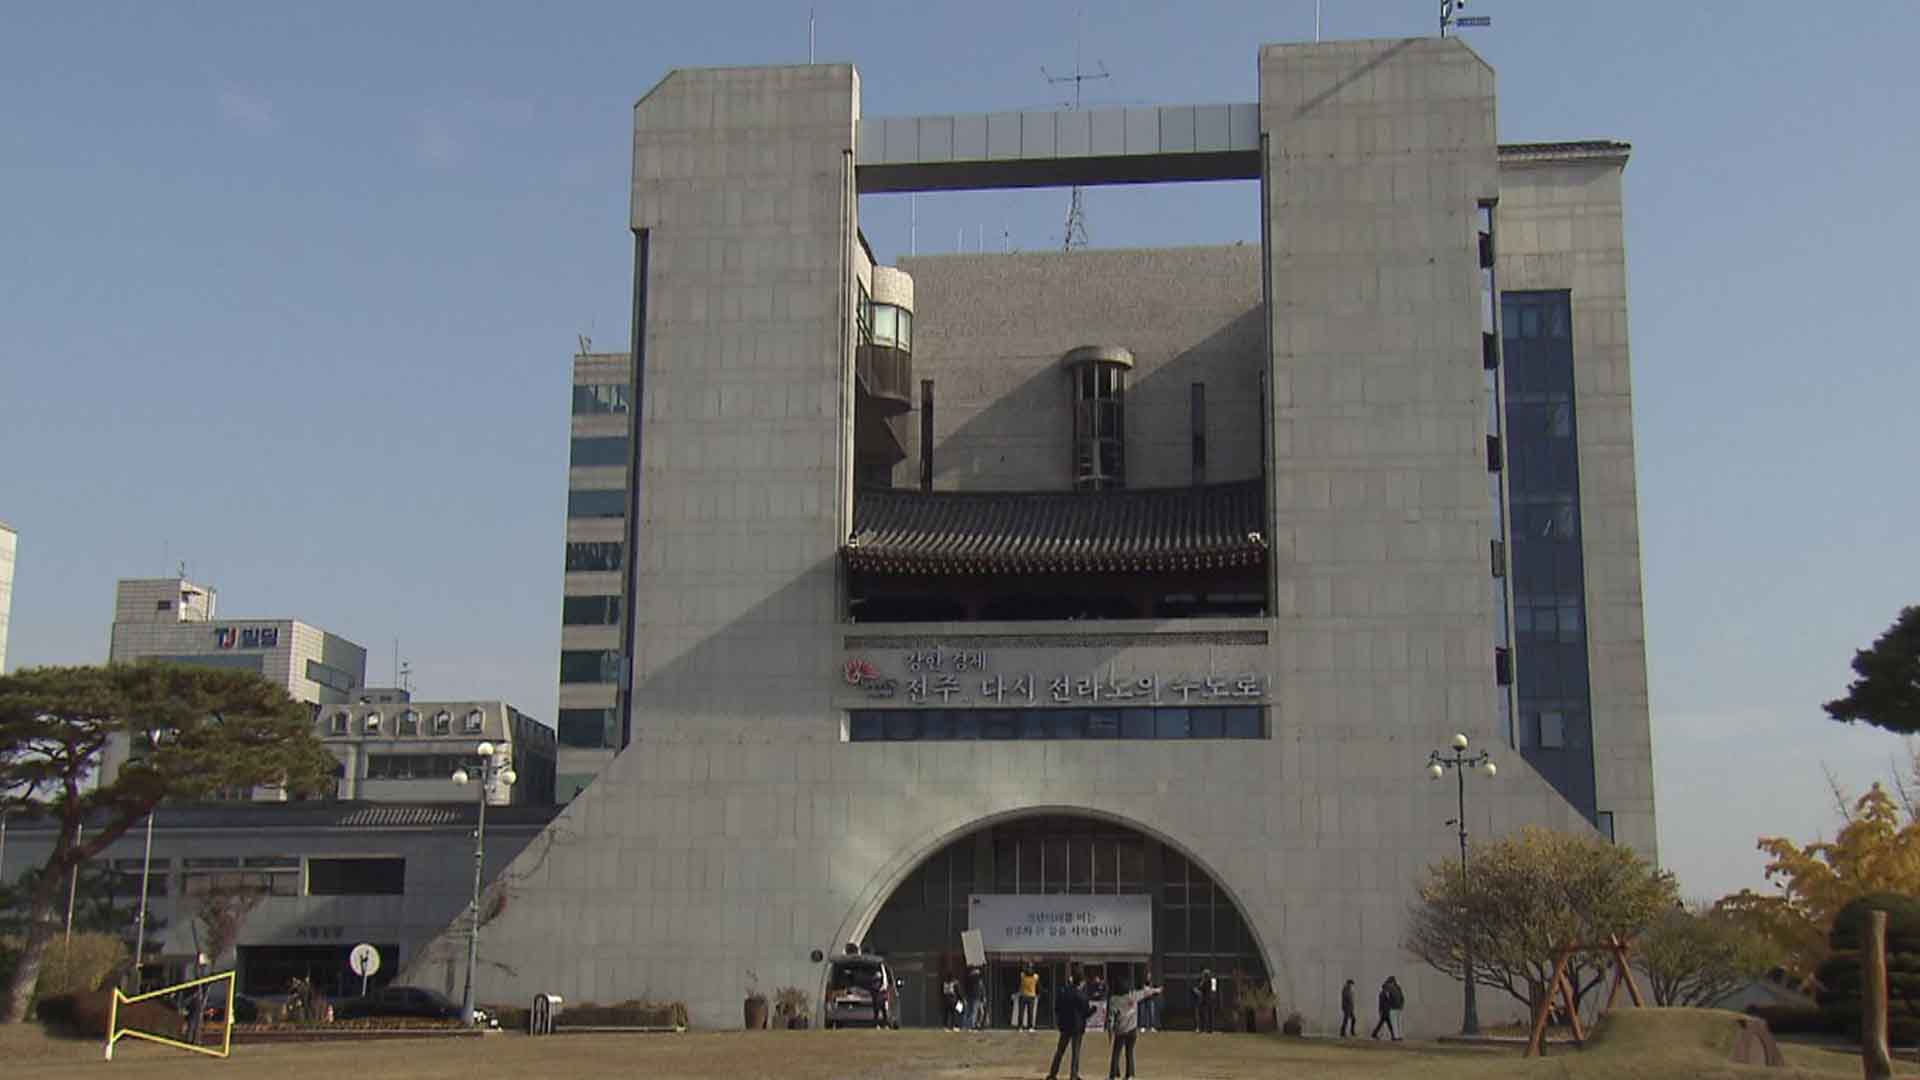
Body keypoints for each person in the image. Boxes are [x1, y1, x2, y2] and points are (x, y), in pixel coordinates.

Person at [1103, 977, 1163, 1080]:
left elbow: (1110, 1019)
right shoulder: (1133, 996)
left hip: (1120, 1030)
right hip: (1132, 1030)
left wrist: (1110, 1032)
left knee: (1116, 1053)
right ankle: (1130, 1075)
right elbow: (1146, 992)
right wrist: (1157, 990)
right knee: (1129, 1053)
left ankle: (1112, 1076)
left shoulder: (1114, 1000)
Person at [1046, 970, 1096, 1080]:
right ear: (1081, 982)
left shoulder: (1064, 991)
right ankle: (1073, 1075)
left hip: (1065, 1025)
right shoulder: (1082, 995)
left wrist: (1060, 1020)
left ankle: (1053, 1073)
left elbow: (1057, 1008)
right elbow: (1085, 1013)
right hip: (1077, 1027)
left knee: (1060, 1051)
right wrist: (1093, 1010)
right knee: (1075, 1053)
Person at [1370, 976, 1403, 1041]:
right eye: (1386, 987)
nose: (1387, 988)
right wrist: (1380, 1011)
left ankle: (1375, 1034)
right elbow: (1381, 1004)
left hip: (1388, 1011)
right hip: (1385, 1011)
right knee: (1386, 1024)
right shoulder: (1382, 994)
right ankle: (1393, 1036)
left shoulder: (1388, 993)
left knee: (1386, 1024)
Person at [1018, 965, 1040, 1031]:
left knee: (1023, 1012)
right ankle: (1029, 1027)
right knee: (1028, 1012)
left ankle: (1022, 1027)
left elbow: (1022, 973)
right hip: (1030, 995)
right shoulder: (1035, 976)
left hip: (1025, 995)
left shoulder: (1023, 976)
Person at [1195, 968, 1218, 1034]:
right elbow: (1213, 991)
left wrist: (1197, 991)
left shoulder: (1207, 981)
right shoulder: (1209, 981)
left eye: (1205, 975)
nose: (1204, 976)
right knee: (1207, 1014)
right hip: (1208, 999)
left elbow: (1201, 990)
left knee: (1203, 1014)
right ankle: (1207, 1029)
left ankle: (1203, 1029)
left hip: (1206, 999)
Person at [965, 965, 986, 1030]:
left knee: (979, 1012)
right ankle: (972, 1025)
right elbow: (981, 989)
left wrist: (983, 997)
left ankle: (976, 1024)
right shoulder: (974, 981)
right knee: (973, 1012)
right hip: (976, 997)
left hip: (977, 998)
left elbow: (982, 989)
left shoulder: (978, 981)